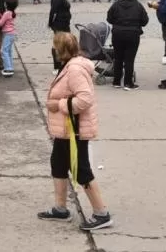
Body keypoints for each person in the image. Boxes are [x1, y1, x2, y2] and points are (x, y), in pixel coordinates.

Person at [38, 31, 113, 231]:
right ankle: (60, 208)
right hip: (66, 129)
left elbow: (85, 99)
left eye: (55, 46)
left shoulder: (74, 70)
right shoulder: (70, 66)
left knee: (81, 170)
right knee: (58, 164)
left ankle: (101, 213)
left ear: (60, 50)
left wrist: (59, 105)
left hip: (74, 129)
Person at [106, 0, 148, 89]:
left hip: (117, 34)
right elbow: (145, 21)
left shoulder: (115, 5)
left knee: (118, 58)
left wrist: (117, 23)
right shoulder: (138, 5)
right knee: (129, 59)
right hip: (132, 34)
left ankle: (116, 81)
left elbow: (109, 18)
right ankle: (128, 83)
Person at [48, 0, 72, 74]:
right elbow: (52, 12)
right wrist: (51, 23)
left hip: (65, 24)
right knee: (58, 45)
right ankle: (57, 66)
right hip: (59, 25)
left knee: (65, 44)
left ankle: (64, 63)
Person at [0, 0, 19, 77]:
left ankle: (8, 68)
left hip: (8, 34)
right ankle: (10, 66)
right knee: (8, 51)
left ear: (7, 4)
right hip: (12, 33)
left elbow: (0, 24)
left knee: (4, 51)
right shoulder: (11, 12)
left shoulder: (7, 13)